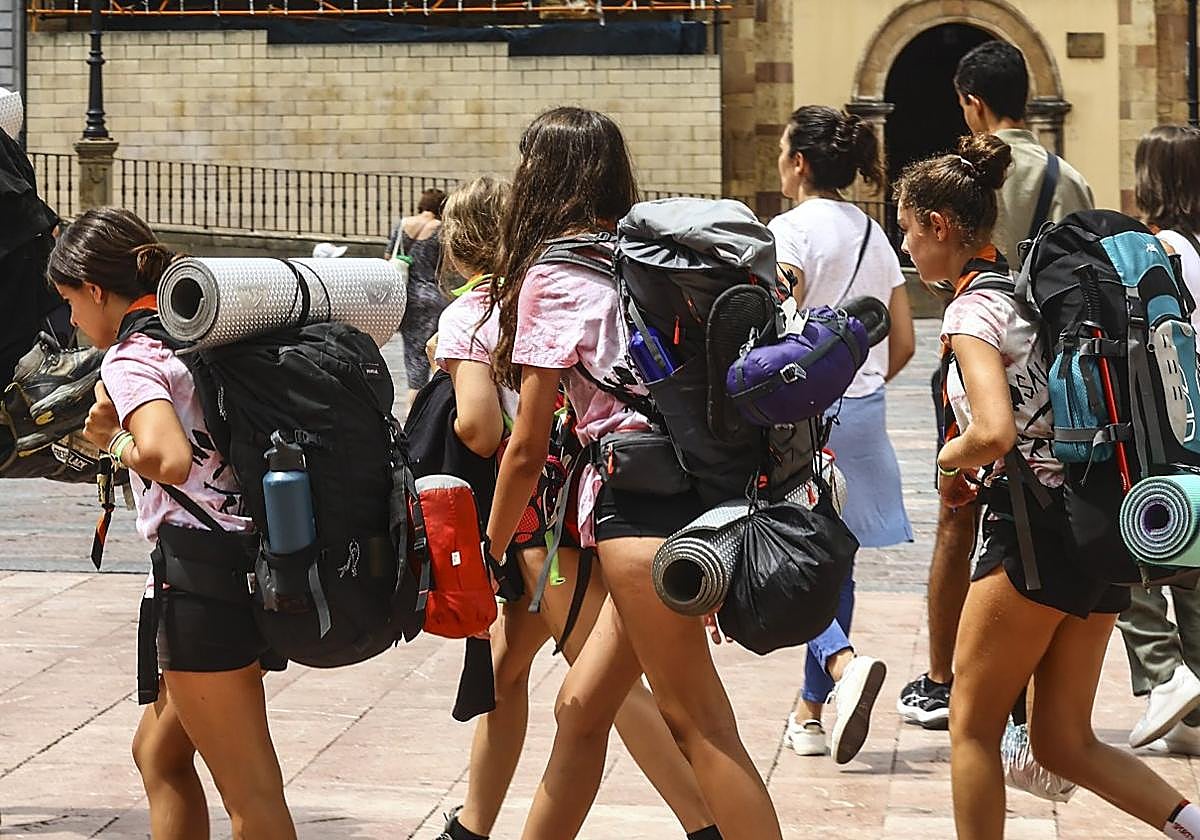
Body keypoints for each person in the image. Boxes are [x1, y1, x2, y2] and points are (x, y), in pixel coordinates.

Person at [484, 106, 782, 840]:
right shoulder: (650, 259)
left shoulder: (554, 275)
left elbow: (526, 446)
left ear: (541, 178)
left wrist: (491, 545)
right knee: (580, 708)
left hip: (640, 516)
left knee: (701, 725)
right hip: (703, 499)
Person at [898, 133, 1200, 840]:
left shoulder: (973, 313)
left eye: (909, 233)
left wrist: (950, 462)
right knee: (1063, 740)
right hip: (1102, 516)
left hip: (1033, 532)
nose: (907, 250)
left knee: (971, 723)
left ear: (941, 227)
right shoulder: (1032, 293)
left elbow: (994, 432)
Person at [430, 175, 719, 840]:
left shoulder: (469, 314)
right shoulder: (546, 289)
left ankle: (705, 823)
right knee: (504, 672)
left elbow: (480, 429)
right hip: (580, 499)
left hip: (536, 528)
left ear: (458, 245)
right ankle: (472, 826)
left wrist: (449, 378)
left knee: (604, 694)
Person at [57, 207, 296, 839]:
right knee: (158, 754)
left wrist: (110, 441)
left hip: (202, 583)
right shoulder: (202, 330)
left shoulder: (132, 358)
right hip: (248, 557)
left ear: (96, 290)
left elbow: (167, 456)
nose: (74, 321)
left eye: (70, 303)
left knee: (253, 800)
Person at [898, 39, 1096, 728]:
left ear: (973, 102)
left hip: (983, 357)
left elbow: (989, 431)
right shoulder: (1068, 178)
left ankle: (942, 674)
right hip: (1057, 382)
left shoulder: (963, 182)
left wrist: (952, 453)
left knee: (961, 512)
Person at [768, 105, 914, 761]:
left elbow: (777, 323)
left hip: (804, 420)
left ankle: (841, 665)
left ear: (800, 162)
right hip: (863, 410)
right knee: (838, 564)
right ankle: (808, 715)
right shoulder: (874, 235)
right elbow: (903, 339)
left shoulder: (788, 231)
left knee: (792, 555)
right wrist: (864, 378)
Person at [1112, 124, 1200, 755]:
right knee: (1195, 560)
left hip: (1166, 420)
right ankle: (1195, 713)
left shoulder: (1158, 248)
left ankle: (1165, 675)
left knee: (1137, 550)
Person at [389, 188, 449, 406]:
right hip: (433, 297)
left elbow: (389, 256)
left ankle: (412, 417)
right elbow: (446, 265)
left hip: (407, 298)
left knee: (414, 362)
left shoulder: (402, 224)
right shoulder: (441, 230)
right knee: (437, 355)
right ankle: (435, 405)